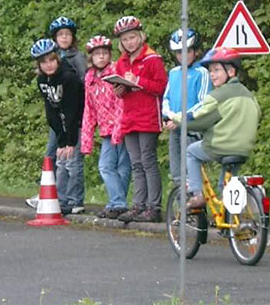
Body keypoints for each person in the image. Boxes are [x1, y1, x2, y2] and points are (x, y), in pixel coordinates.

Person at [167, 48, 260, 210]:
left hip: (220, 145)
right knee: (228, 183)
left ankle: (197, 194)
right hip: (244, 147)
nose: (212, 75)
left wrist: (176, 119)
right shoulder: (249, 95)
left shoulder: (217, 96)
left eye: (217, 70)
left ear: (231, 71)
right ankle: (229, 215)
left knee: (191, 151)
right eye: (210, 71)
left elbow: (199, 119)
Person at [111, 15, 168, 223]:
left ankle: (154, 206)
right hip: (129, 117)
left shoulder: (153, 59)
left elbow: (162, 88)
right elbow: (122, 92)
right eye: (125, 40)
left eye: (133, 38)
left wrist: (139, 81)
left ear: (141, 36)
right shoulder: (121, 62)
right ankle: (139, 204)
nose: (129, 43)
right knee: (135, 162)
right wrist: (120, 89)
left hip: (148, 117)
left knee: (148, 160)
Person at [31, 38, 85, 215]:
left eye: (51, 60)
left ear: (58, 59)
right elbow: (51, 111)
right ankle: (61, 200)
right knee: (61, 161)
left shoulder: (69, 78)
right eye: (44, 62)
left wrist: (70, 141)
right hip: (61, 121)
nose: (48, 65)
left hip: (77, 121)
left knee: (73, 162)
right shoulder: (42, 80)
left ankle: (75, 200)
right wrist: (61, 141)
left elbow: (72, 110)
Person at [80, 34, 132, 219]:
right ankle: (118, 203)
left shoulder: (115, 72)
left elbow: (121, 103)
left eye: (104, 53)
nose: (101, 57)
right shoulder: (90, 78)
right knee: (109, 166)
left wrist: (119, 128)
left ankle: (118, 203)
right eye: (97, 54)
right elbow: (89, 109)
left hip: (122, 126)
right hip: (105, 130)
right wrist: (86, 139)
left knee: (116, 166)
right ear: (91, 58)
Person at [161, 27, 211, 186]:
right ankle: (181, 206)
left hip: (192, 128)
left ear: (195, 51)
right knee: (177, 173)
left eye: (187, 51)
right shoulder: (174, 72)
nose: (182, 56)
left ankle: (197, 205)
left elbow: (203, 102)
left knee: (192, 173)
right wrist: (167, 116)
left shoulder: (202, 72)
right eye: (178, 52)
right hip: (175, 128)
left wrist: (180, 119)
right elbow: (166, 97)